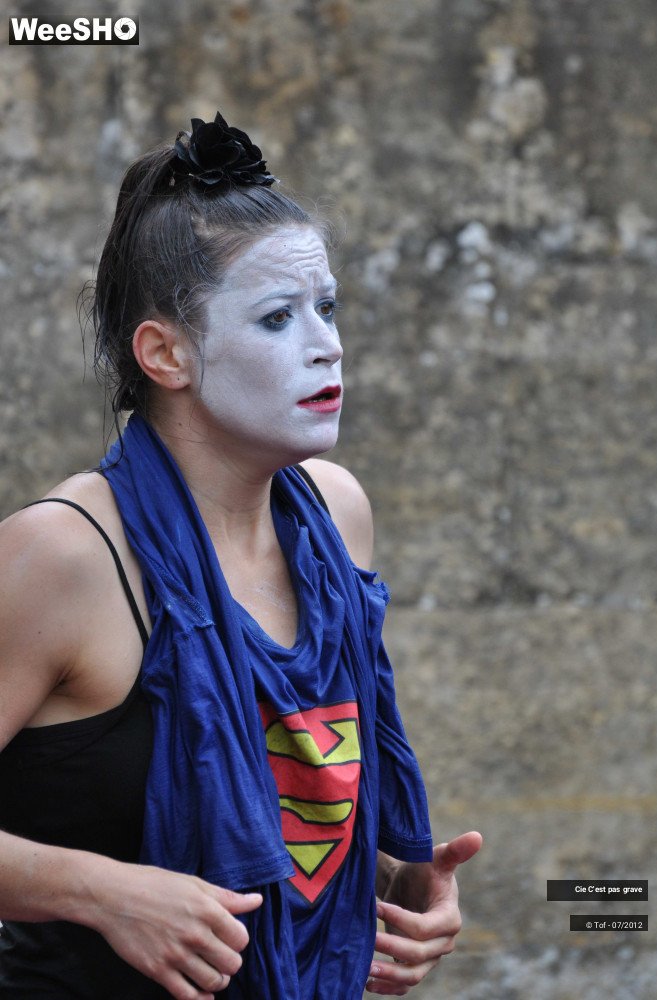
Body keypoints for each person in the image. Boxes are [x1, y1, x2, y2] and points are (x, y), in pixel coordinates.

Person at [0, 111, 482, 1000]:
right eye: (277, 317)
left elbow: (271, 808)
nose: (327, 344)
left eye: (327, 307)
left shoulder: (336, 517)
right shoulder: (62, 555)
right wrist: (102, 894)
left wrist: (389, 885)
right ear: (166, 353)